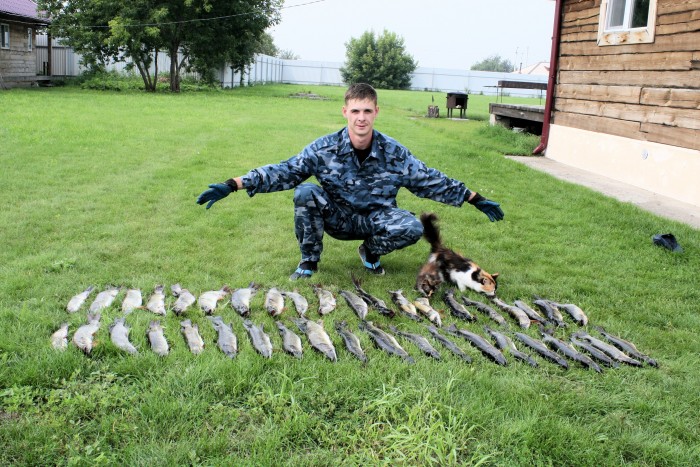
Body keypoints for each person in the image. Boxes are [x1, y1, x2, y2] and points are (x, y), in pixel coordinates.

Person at [197, 83, 503, 280]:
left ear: (376, 113)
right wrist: (234, 183)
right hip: (338, 217)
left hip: (376, 219)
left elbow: (430, 179)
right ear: (345, 111)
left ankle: (370, 252)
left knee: (412, 226)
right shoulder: (324, 147)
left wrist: (474, 198)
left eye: (367, 111)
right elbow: (286, 170)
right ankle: (308, 262)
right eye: (355, 111)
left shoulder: (394, 152)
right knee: (305, 192)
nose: (361, 118)